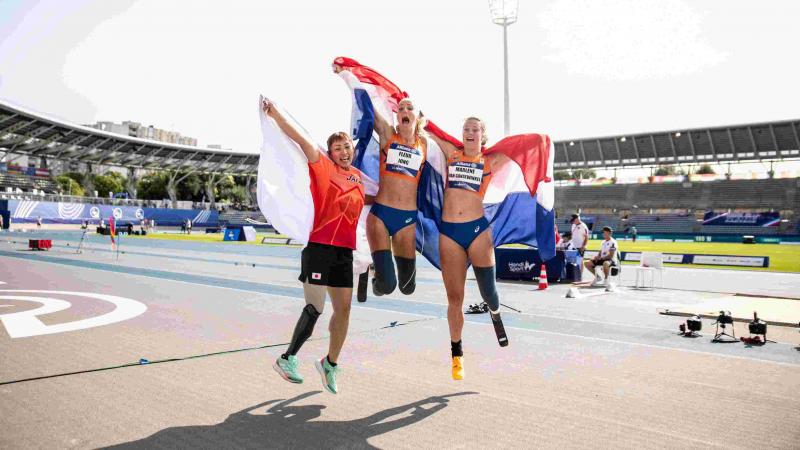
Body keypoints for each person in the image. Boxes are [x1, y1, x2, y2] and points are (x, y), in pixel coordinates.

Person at [263, 99, 367, 395]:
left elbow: (358, 217)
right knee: (315, 308)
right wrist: (275, 113)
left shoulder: (358, 178)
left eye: (347, 146)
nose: (343, 152)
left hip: (343, 253)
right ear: (330, 152)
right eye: (337, 148)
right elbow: (300, 137)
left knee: (344, 311)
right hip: (319, 248)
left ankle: (330, 363)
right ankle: (287, 358)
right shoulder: (322, 167)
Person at [427, 117, 510, 380]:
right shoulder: (451, 154)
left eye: (476, 129)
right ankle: (457, 355)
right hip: (449, 233)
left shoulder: (490, 161)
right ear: (461, 134)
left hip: (477, 231)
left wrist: (540, 145)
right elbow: (428, 129)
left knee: (489, 293)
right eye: (466, 129)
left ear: (483, 136)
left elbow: (519, 150)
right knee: (455, 299)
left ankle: (495, 313)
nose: (470, 132)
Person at [335, 64, 427, 298]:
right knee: (386, 287)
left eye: (410, 107)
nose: (404, 109)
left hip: (407, 218)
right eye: (401, 108)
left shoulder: (426, 145)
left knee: (408, 287)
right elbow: (367, 106)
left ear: (418, 116)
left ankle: (374, 267)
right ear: (397, 116)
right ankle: (371, 272)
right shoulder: (388, 135)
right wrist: (348, 75)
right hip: (381, 216)